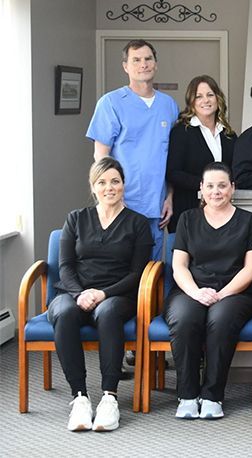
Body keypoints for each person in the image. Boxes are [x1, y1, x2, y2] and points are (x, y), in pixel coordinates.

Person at [48, 157, 153, 431]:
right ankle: (80, 397)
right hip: (74, 293)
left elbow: (137, 273)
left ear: (123, 185)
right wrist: (80, 293)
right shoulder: (76, 218)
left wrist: (103, 294)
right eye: (102, 182)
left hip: (118, 295)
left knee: (107, 313)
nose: (110, 187)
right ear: (93, 187)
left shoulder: (138, 223)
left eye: (115, 181)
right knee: (63, 312)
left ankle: (109, 397)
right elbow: (65, 266)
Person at [166, 162, 252, 420]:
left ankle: (212, 395)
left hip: (235, 293)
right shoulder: (187, 219)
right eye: (210, 186)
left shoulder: (249, 220)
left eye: (222, 185)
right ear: (201, 189)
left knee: (220, 320)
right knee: (185, 319)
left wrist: (222, 294)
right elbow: (179, 266)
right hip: (191, 290)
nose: (216, 191)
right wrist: (196, 292)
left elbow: (251, 269)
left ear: (232, 188)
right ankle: (187, 395)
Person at [86, 39, 179, 258]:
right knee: (123, 269)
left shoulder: (168, 105)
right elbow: (101, 156)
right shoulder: (110, 103)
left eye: (148, 59)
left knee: (151, 273)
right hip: (122, 202)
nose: (143, 64)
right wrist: (111, 196)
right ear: (126, 66)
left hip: (156, 203)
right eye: (136, 60)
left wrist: (169, 197)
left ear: (155, 64)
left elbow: (172, 158)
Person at [166, 75, 237, 232]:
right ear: (191, 102)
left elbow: (235, 170)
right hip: (188, 209)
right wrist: (207, 187)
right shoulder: (181, 132)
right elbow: (172, 173)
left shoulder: (229, 134)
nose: (206, 100)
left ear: (218, 98)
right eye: (198, 96)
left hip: (222, 210)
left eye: (210, 95)